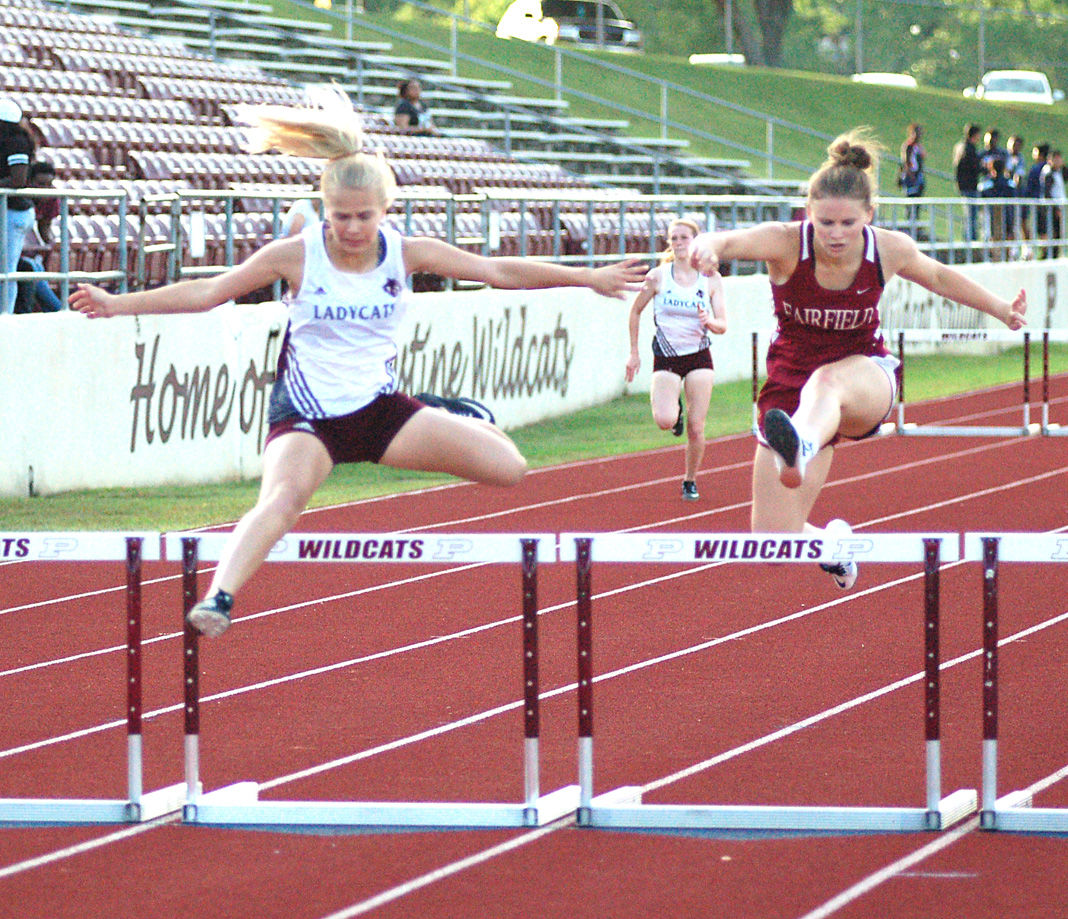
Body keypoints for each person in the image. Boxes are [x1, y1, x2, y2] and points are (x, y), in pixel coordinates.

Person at [70, 95, 645, 637]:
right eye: (339, 216)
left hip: (377, 409)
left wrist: (589, 277)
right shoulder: (296, 255)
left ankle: (448, 411)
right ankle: (219, 598)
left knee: (510, 468)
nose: (350, 229)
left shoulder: (406, 251)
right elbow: (211, 291)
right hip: (306, 416)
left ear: (385, 211)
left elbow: (499, 271)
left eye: (362, 217)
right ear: (323, 209)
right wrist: (119, 305)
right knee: (281, 501)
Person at [686, 129, 1027, 591]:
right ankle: (833, 546)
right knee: (771, 543)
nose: (836, 234)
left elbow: (940, 277)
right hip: (791, 389)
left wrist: (1002, 309)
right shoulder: (785, 242)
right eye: (825, 222)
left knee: (828, 381)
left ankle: (800, 446)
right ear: (808, 214)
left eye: (849, 223)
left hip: (864, 376)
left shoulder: (888, 248)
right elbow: (728, 241)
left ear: (870, 214)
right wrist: (707, 248)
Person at [624, 217, 727, 501]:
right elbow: (635, 312)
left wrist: (710, 322)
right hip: (667, 356)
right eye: (674, 238)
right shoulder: (659, 276)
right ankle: (675, 411)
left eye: (685, 237)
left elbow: (723, 324)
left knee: (697, 427)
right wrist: (634, 354)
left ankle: (690, 480)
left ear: (696, 242)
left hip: (698, 356)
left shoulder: (711, 279)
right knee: (664, 421)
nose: (679, 243)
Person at [0, 97, 35, 314]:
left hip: (13, 212)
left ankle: (6, 315)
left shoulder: (16, 142)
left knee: (6, 270)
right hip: (7, 210)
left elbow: (18, 179)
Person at [15, 159, 63, 313]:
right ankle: (58, 311)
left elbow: (44, 228)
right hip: (11, 250)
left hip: (20, 251)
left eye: (49, 184)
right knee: (32, 268)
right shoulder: (18, 199)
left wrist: (52, 244)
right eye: (40, 184)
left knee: (37, 266)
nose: (45, 189)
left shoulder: (51, 198)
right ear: (29, 182)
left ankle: (57, 311)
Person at [953, 124, 982, 246]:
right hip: (969, 186)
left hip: (964, 185)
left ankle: (968, 239)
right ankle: (971, 242)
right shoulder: (969, 149)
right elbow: (974, 167)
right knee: (971, 216)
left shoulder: (960, 147)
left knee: (968, 216)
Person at [1023, 142, 1050, 257]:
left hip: (1036, 202)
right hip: (1045, 203)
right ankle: (1045, 252)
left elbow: (1030, 187)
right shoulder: (1049, 168)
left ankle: (1033, 253)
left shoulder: (1036, 169)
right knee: (1044, 229)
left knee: (1038, 227)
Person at [898, 122, 925, 230]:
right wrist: (910, 175)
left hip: (918, 177)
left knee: (917, 203)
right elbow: (905, 162)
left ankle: (915, 225)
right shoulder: (908, 145)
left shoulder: (919, 147)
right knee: (910, 202)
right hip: (911, 178)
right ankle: (909, 226)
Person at [1041, 149, 1066, 259]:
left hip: (1058, 208)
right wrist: (1055, 209)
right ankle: (1049, 257)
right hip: (1051, 210)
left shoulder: (1058, 172)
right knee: (1053, 234)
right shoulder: (1049, 173)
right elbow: (1048, 193)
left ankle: (1054, 255)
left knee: (1058, 234)